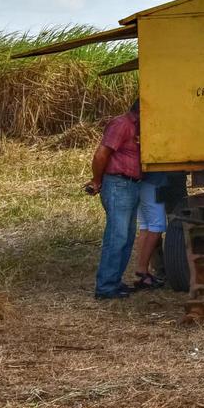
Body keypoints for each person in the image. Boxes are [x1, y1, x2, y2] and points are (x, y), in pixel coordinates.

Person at [84, 99, 143, 299]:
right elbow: (101, 154)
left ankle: (114, 281)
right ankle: (106, 287)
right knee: (116, 237)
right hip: (118, 184)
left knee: (126, 237)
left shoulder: (137, 127)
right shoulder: (122, 124)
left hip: (132, 185)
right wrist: (96, 180)